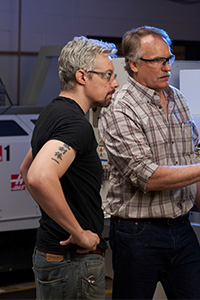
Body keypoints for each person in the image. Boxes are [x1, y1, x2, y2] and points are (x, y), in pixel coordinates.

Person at [99, 26, 200, 300]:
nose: (166, 67)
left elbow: (192, 160)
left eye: (168, 59)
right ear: (133, 64)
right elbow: (147, 177)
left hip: (181, 229)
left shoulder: (177, 98)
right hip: (137, 235)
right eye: (157, 61)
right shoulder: (120, 107)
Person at [20, 36, 119, 300]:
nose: (115, 83)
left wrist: (56, 218)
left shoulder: (51, 112)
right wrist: (79, 233)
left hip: (53, 256)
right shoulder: (76, 124)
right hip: (72, 262)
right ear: (82, 76)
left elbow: (26, 170)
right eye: (108, 75)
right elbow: (39, 176)